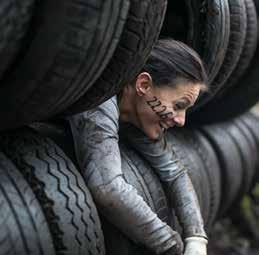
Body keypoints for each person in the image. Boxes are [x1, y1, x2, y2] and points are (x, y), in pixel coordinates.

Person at [69, 39, 209, 255]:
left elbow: (174, 173)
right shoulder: (99, 98)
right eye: (179, 106)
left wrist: (196, 238)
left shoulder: (141, 114)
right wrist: (173, 247)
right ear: (143, 85)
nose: (181, 120)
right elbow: (107, 188)